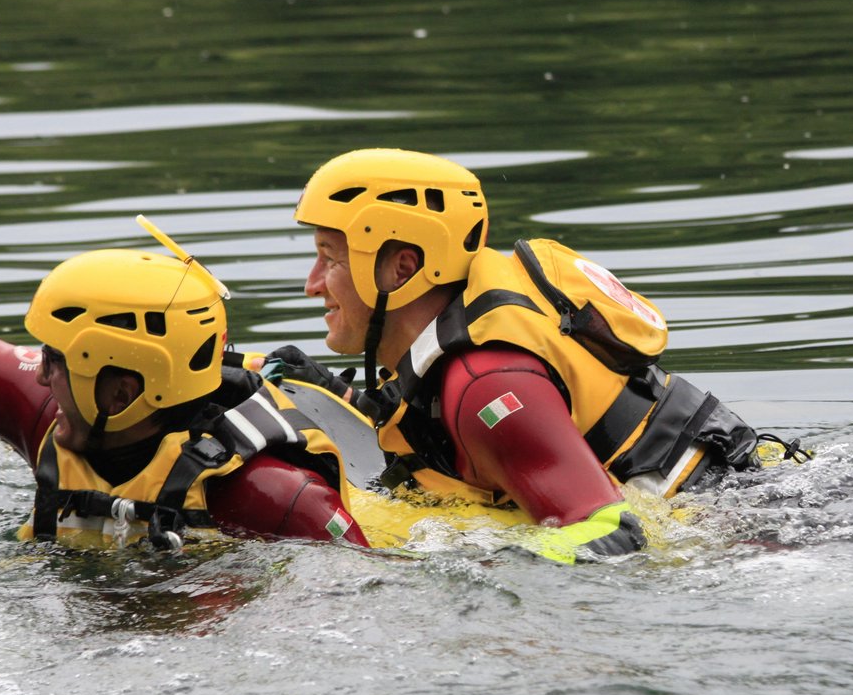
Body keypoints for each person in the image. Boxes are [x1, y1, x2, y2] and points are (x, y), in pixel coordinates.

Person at [268, 148, 796, 563]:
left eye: (329, 259)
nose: (312, 286)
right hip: (762, 500)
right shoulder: (452, 353)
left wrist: (464, 565)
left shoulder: (488, 386)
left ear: (403, 269)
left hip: (756, 534)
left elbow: (611, 534)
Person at [0, 248, 370, 550]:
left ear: (122, 389)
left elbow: (366, 594)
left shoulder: (273, 496)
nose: (38, 378)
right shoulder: (57, 417)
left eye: (56, 361)